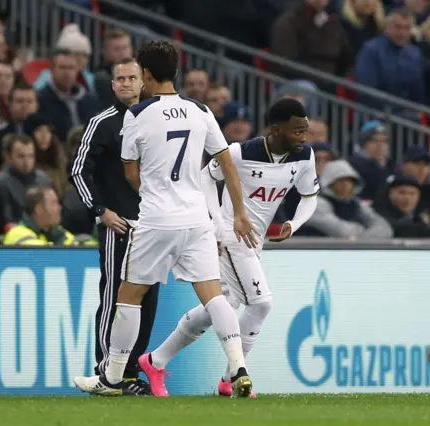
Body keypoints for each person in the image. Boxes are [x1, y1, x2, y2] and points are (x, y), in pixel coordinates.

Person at [73, 40, 257, 397]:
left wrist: (155, 192)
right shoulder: (200, 110)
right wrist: (238, 213)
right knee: (214, 297)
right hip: (197, 218)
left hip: (157, 219)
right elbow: (226, 164)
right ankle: (238, 367)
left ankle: (111, 378)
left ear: (145, 74)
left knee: (128, 297)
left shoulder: (136, 115)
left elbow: (130, 173)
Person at [138, 99, 320, 397]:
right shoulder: (240, 152)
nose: (304, 137)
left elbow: (309, 197)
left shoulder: (304, 156)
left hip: (254, 240)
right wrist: (220, 225)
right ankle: (233, 376)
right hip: (231, 239)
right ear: (276, 129)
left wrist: (294, 224)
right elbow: (205, 178)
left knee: (220, 306)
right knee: (261, 303)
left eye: (305, 130)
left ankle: (155, 361)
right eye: (298, 131)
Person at [69, 57, 154, 395]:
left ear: (142, 81)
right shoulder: (102, 123)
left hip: (152, 225)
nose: (125, 84)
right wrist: (99, 209)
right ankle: (106, 370)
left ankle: (130, 372)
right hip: (118, 224)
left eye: (132, 78)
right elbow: (78, 171)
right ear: (112, 84)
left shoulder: (154, 120)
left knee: (146, 301)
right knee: (113, 297)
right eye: (119, 79)